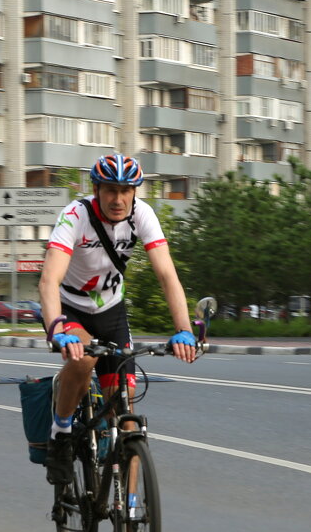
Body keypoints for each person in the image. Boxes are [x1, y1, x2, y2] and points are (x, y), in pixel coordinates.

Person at [38, 153, 198, 491]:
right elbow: (49, 280)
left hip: (111, 312)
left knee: (126, 419)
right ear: (96, 189)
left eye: (127, 190)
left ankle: (132, 513)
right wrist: (56, 330)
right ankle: (61, 433)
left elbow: (167, 275)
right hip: (71, 310)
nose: (119, 199)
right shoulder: (75, 216)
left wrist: (184, 330)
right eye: (110, 190)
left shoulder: (142, 214)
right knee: (84, 359)